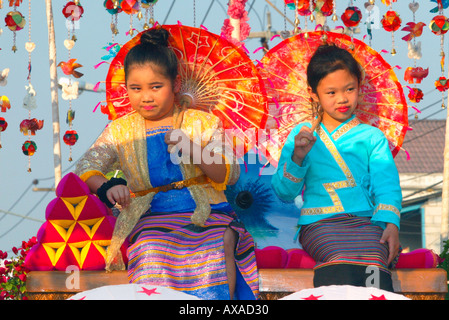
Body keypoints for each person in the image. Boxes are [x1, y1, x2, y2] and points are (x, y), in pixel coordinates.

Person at [74, 27, 259, 300]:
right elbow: (85, 167)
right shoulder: (120, 130)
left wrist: (193, 149)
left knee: (219, 241)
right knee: (149, 247)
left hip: (206, 212)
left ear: (176, 83)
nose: (145, 97)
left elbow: (228, 173)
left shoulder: (203, 122)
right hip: (150, 217)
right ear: (126, 88)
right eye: (135, 88)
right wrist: (107, 187)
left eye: (155, 87)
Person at [271, 44, 402, 291]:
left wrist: (391, 224)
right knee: (340, 257)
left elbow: (387, 185)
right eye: (331, 92)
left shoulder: (372, 136)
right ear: (313, 93)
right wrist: (298, 157)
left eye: (349, 89)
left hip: (368, 222)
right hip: (319, 224)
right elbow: (283, 192)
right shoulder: (302, 136)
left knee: (376, 256)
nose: (342, 99)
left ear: (359, 88)